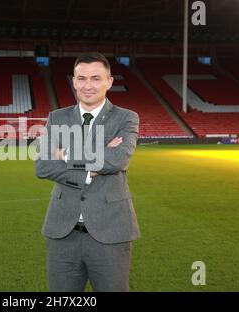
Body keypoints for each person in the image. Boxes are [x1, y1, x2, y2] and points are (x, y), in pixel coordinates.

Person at [35, 52, 140, 292]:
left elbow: (117, 160)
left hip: (111, 232)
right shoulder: (57, 117)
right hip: (62, 232)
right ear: (73, 81)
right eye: (81, 78)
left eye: (95, 78)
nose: (88, 85)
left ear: (109, 81)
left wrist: (64, 153)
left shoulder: (126, 118)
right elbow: (42, 166)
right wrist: (92, 165)